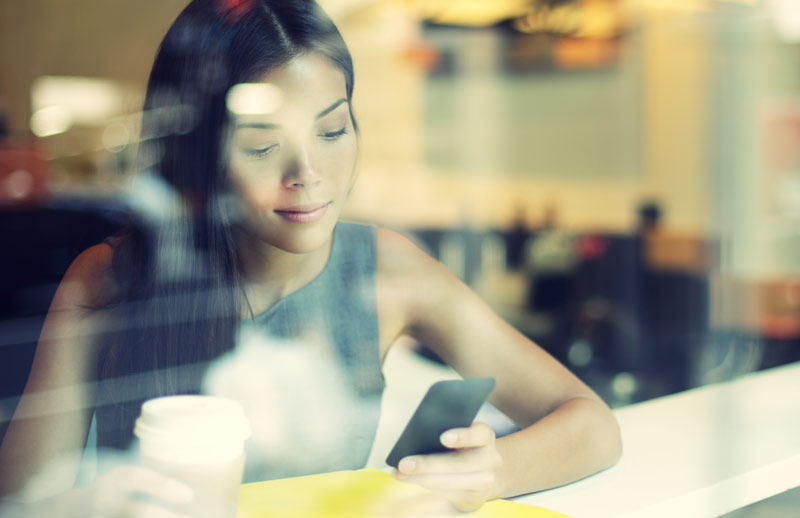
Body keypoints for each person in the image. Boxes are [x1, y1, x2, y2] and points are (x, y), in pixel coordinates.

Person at [0, 0, 622, 515]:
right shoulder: (108, 279)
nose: (308, 173)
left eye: (332, 131)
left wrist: (494, 469)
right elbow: (19, 502)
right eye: (262, 146)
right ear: (198, 156)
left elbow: (592, 424)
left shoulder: (387, 268)